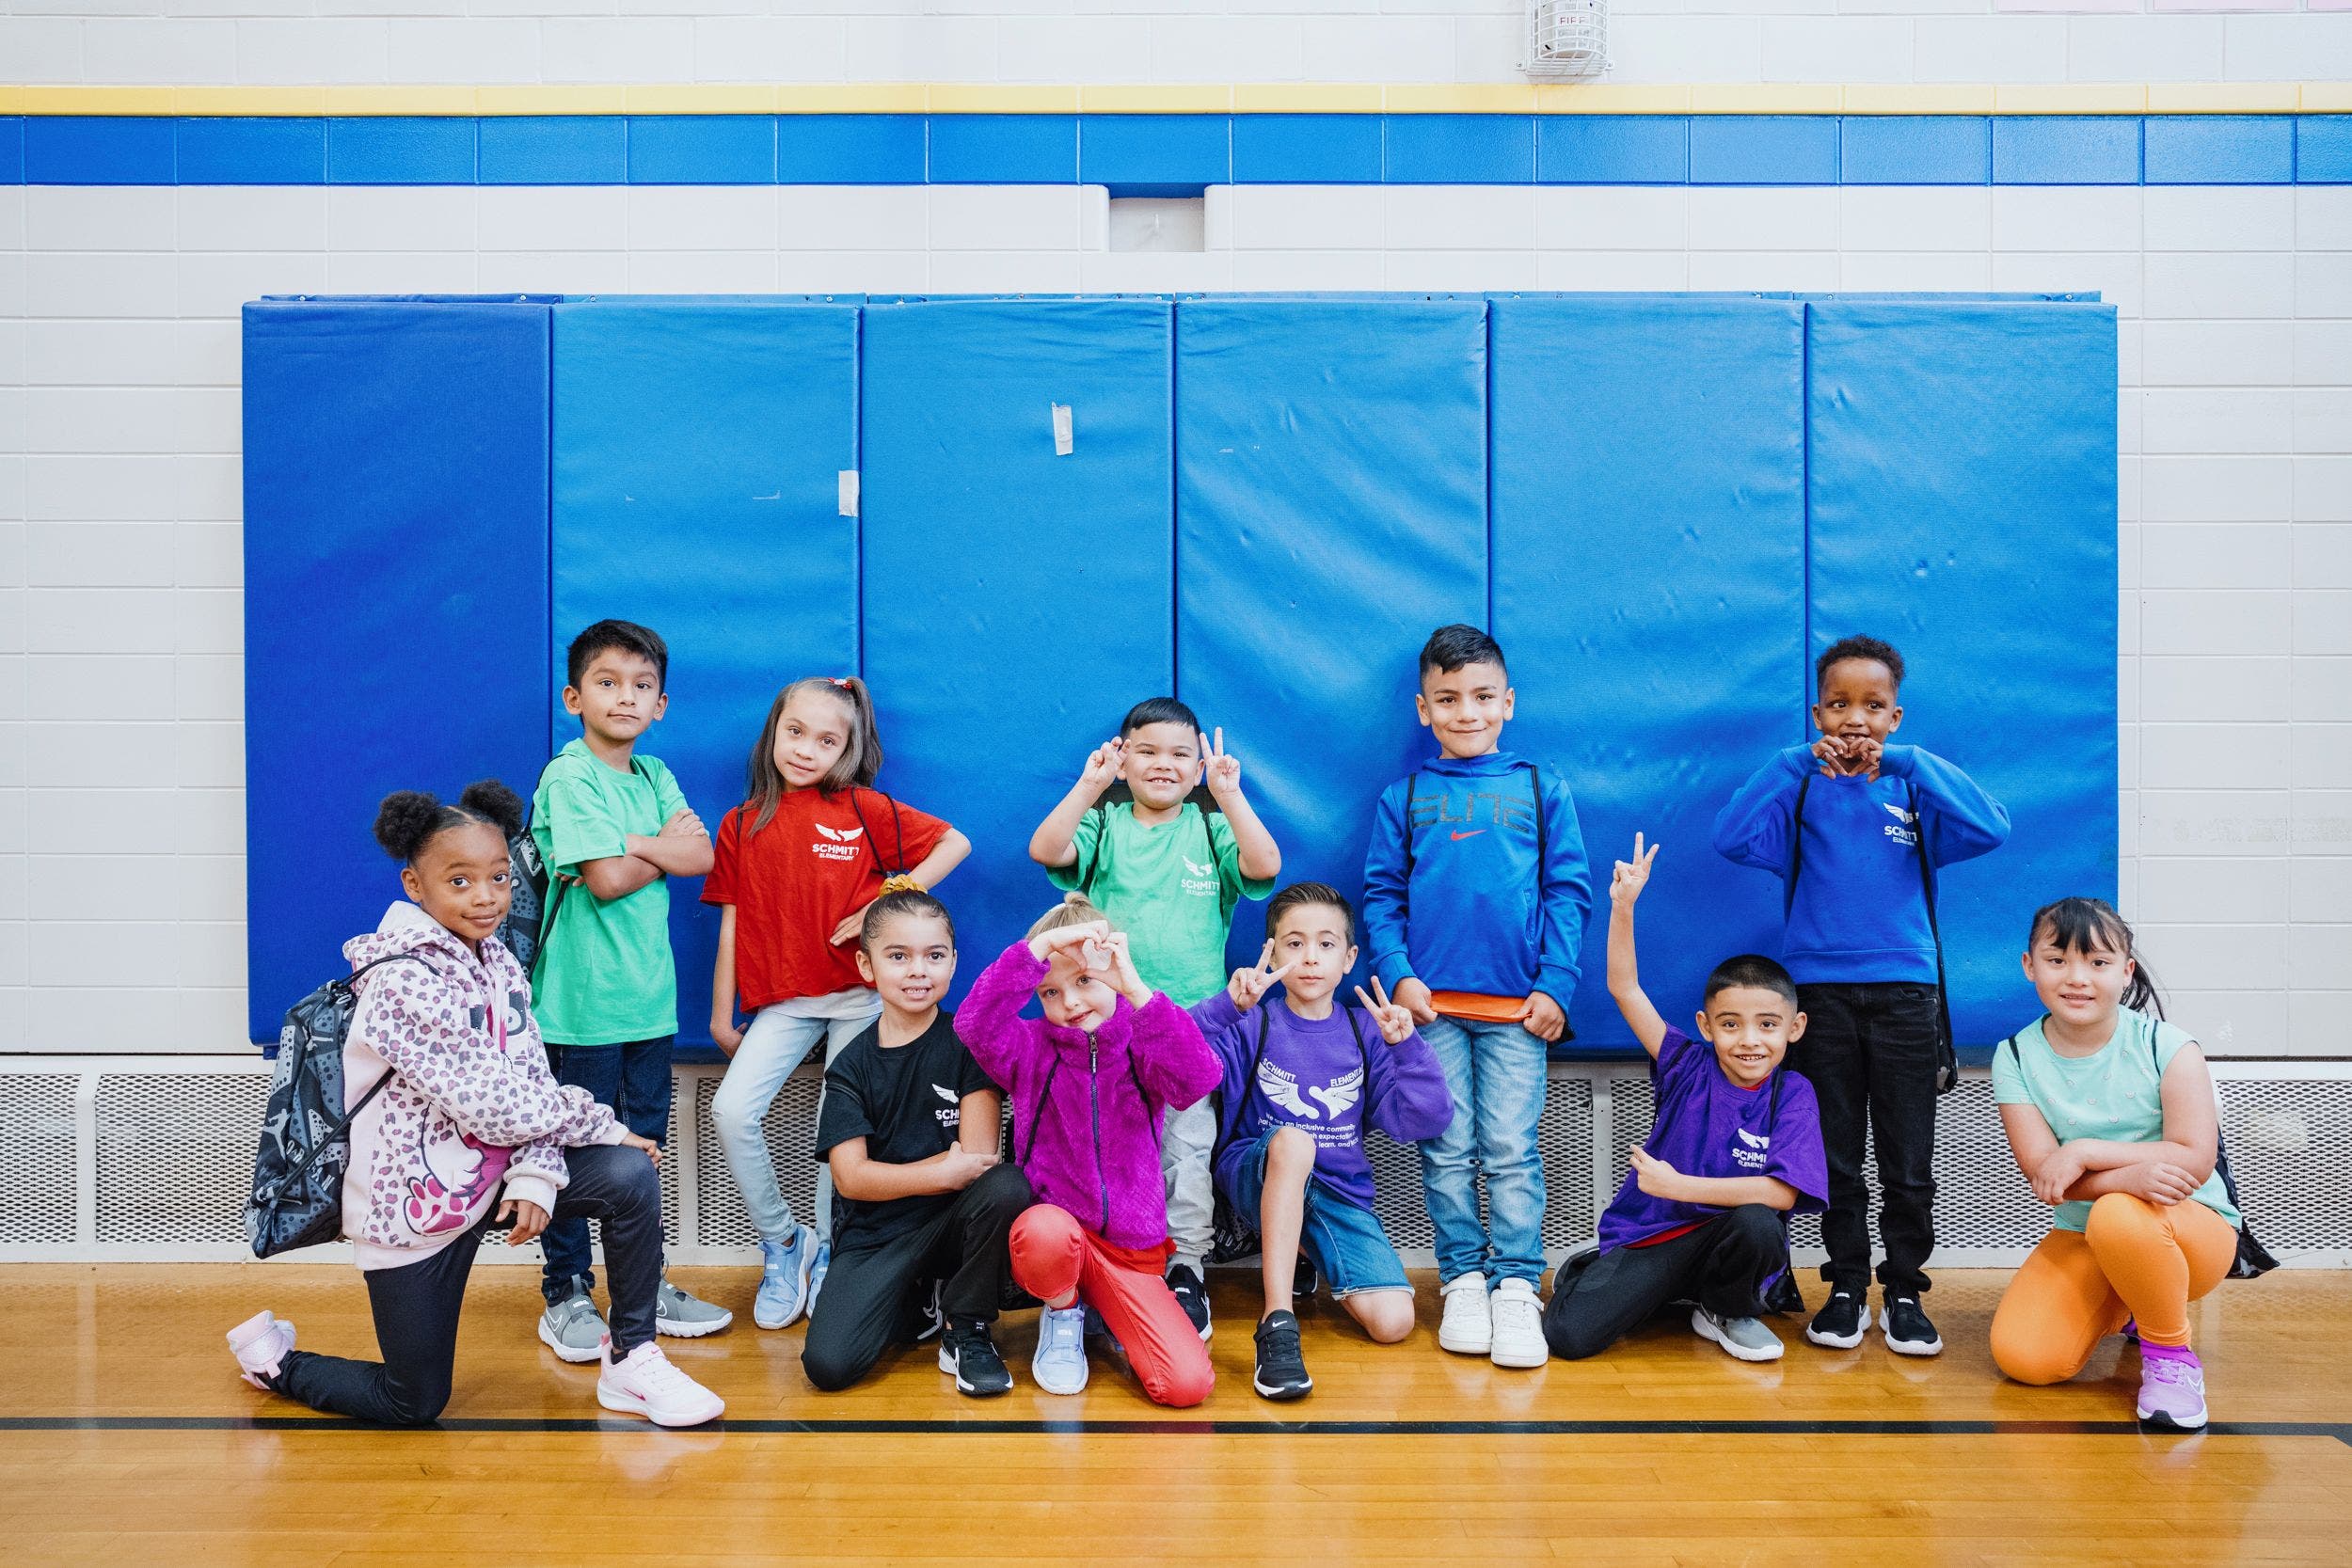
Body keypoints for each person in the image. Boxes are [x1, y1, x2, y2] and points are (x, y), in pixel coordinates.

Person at [226, 784, 723, 1428]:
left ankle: (631, 1357)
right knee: (413, 1400)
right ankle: (275, 1362)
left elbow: (529, 1080)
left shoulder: (498, 963)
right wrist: (603, 1123)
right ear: (415, 883)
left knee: (629, 1177)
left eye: (497, 877)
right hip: (414, 1205)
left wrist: (538, 1172)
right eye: (460, 881)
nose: (486, 897)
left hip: (486, 1180)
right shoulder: (399, 978)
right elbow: (491, 1102)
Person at [1711, 633, 2010, 1357]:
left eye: (1873, 706)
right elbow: (1730, 835)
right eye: (1840, 704)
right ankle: (1845, 1285)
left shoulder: (1912, 784)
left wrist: (1903, 762)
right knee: (1836, 1155)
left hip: (1908, 994)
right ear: (1817, 713)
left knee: (1907, 1158)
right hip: (1821, 995)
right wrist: (1792, 762)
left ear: (1895, 717)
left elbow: (1993, 825)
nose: (1856, 719)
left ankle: (1904, 1288)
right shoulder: (1804, 784)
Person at [704, 675, 969, 1333]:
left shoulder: (863, 808)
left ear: (846, 749)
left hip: (860, 998)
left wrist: (887, 897)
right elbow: (732, 920)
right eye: (795, 732)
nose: (806, 749)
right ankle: (785, 1242)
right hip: (785, 1002)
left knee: (839, 1136)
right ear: (774, 731)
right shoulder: (742, 821)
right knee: (731, 1109)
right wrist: (719, 1011)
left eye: (827, 739)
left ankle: (831, 1253)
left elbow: (954, 843)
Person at [1360, 624, 1591, 1370]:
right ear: (1424, 709)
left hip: (1518, 1013)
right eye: (1449, 699)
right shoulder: (1407, 796)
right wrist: (1399, 973)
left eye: (1483, 697)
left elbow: (1568, 891)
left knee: (1510, 1150)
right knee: (1448, 1149)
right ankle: (1463, 1276)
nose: (1467, 712)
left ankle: (1517, 1285)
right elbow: (1382, 896)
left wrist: (1555, 983)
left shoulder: (1538, 787)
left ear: (1508, 702)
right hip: (1433, 1011)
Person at [1028, 699, 1279, 1341]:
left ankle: (1187, 1267)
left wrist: (1228, 795)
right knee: (1111, 1144)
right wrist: (1089, 785)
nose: (1163, 764)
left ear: (1198, 768)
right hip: (1104, 1026)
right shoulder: (1106, 823)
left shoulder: (1210, 827)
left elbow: (1265, 866)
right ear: (1122, 758)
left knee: (1185, 1149)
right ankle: (1101, 1269)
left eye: (1180, 754)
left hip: (1187, 1026)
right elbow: (1044, 847)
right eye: (1147, 750)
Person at [1543, 834, 1828, 1365]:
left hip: (1728, 1237)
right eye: (1730, 1024)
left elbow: (1784, 1195)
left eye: (1767, 1025)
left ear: (1794, 1028)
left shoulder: (1794, 1093)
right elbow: (1625, 988)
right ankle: (1602, 1270)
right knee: (1568, 1338)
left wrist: (1681, 1185)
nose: (1749, 1040)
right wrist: (1623, 905)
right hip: (1658, 1233)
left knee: (1759, 1221)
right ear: (1706, 1027)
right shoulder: (1685, 1063)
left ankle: (1725, 1308)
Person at [528, 619, 731, 1358]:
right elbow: (607, 883)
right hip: (580, 1010)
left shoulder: (654, 776)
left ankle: (639, 1288)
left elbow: (703, 853)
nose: (626, 696)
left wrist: (637, 843)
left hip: (648, 1004)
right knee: (577, 1154)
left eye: (642, 685)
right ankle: (567, 1289)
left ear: (662, 704)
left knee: (639, 1154)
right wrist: (658, 846)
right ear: (574, 696)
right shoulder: (569, 775)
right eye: (608, 682)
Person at [1187, 882, 1452, 1401]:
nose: (1310, 958)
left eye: (1326, 944)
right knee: (1294, 1142)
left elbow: (1424, 1122)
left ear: (1350, 958)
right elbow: (1174, 1062)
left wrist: (1408, 1049)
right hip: (1254, 1170)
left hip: (1335, 1191)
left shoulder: (1366, 1030)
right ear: (1270, 951)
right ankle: (1277, 1320)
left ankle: (1304, 1247)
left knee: (1393, 1321)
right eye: (1294, 943)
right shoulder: (1253, 1020)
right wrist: (1225, 1007)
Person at [955, 895, 1222, 1406]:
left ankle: (1101, 1307)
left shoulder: (1143, 1039)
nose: (1070, 1004)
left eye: (1083, 982)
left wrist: (1137, 990)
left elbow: (1198, 1078)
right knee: (1044, 1230)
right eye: (1050, 992)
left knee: (1186, 1385)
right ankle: (1063, 1312)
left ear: (1112, 976)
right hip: (1058, 1240)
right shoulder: (1030, 1047)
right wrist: (1036, 951)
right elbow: (974, 1024)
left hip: (1130, 1251)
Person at [1988, 897, 2235, 1431]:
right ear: (2030, 966)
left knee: (2121, 1213)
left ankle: (2171, 1357)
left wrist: (2084, 1151)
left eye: (2098, 963)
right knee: (2026, 1359)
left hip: (2191, 1231)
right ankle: (2129, 1301)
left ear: (2125, 973)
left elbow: (2194, 1158)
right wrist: (2130, 1175)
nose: (2077, 978)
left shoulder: (2168, 1046)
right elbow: (2045, 1178)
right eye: (2057, 960)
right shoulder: (2014, 1054)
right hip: (2087, 1234)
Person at [801, 890, 1031, 1397]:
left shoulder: (970, 1042)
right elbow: (852, 1179)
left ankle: (964, 1323)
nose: (917, 971)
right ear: (867, 964)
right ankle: (915, 1296)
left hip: (956, 1224)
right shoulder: (850, 1067)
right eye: (898, 956)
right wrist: (937, 1174)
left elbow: (977, 1160)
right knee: (828, 1367)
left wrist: (925, 1176)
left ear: (953, 962)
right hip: (877, 1236)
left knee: (1007, 1185)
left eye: (934, 955)